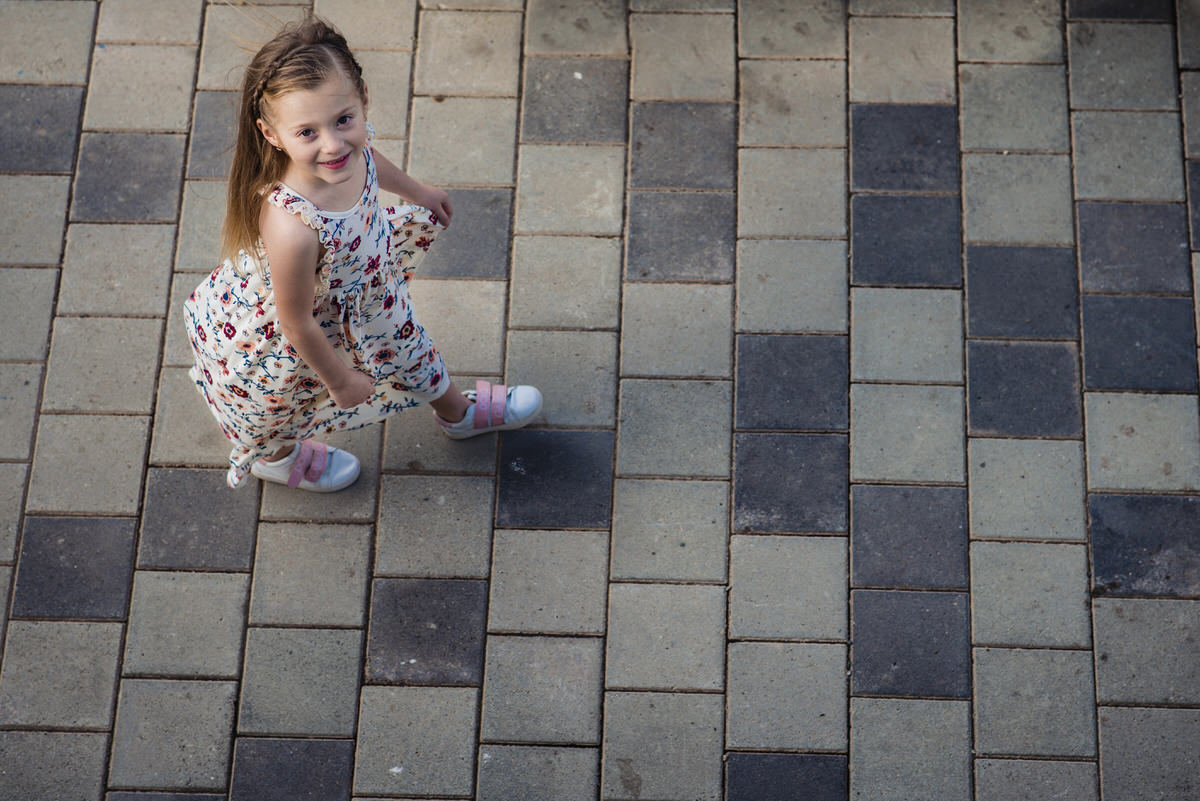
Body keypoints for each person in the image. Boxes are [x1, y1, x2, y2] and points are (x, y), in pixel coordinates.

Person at [184, 16, 541, 491]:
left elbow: (369, 160)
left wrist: (416, 190)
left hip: (368, 293)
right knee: (279, 403)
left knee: (410, 347)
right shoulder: (292, 226)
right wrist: (340, 381)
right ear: (272, 135)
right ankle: (276, 455)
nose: (333, 145)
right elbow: (295, 322)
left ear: (362, 99)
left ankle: (457, 412)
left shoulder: (349, 150)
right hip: (299, 327)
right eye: (307, 133)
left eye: (343, 121)